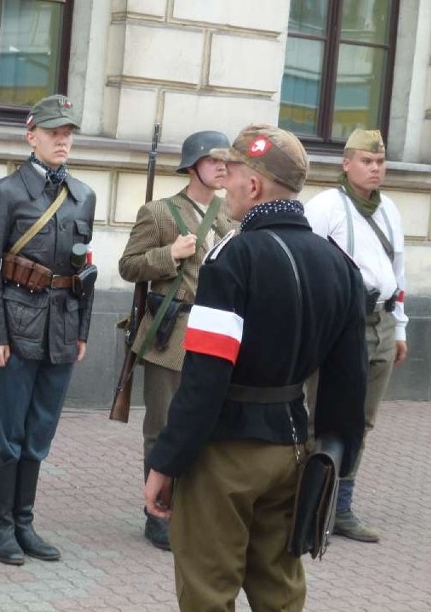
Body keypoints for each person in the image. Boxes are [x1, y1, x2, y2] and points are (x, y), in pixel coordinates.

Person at [143, 124, 367, 611]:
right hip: (293, 448)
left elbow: (204, 375)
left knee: (208, 590)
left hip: (225, 450)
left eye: (233, 172)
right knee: (279, 591)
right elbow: (350, 384)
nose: (223, 183)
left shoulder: (232, 257)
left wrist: (167, 460)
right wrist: (334, 462)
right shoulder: (339, 265)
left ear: (255, 185)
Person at [0, 94, 97, 566]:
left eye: (67, 133)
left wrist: (81, 329)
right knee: (8, 433)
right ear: (31, 136)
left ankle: (24, 523)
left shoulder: (84, 195)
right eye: (52, 132)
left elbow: (84, 270)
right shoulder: (5, 193)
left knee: (40, 431)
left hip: (61, 330)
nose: (62, 140)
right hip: (17, 326)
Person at [118, 130, 235, 550]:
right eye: (215, 160)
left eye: (227, 161)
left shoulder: (232, 215)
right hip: (171, 334)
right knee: (163, 427)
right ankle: (159, 512)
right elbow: (128, 266)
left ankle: (195, 510)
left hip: (217, 333)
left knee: (210, 427)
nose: (223, 167)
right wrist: (171, 254)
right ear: (192, 166)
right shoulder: (160, 212)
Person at [303, 129, 408, 543]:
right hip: (339, 326)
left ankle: (341, 507)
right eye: (367, 161)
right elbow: (308, 265)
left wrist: (399, 327)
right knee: (324, 417)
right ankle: (311, 506)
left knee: (361, 422)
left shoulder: (391, 211)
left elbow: (397, 276)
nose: (375, 168)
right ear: (346, 164)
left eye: (380, 162)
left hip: (380, 323)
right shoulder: (326, 206)